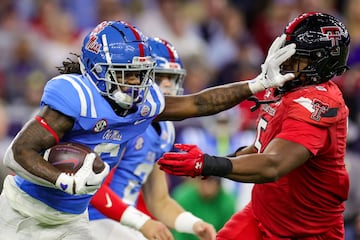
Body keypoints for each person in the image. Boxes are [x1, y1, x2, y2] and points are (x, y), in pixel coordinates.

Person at [0, 20, 295, 239]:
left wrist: (255, 85)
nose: (136, 83)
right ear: (98, 70)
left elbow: (199, 103)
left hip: (72, 219)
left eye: (141, 74)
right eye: (127, 74)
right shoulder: (76, 97)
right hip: (25, 211)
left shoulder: (147, 104)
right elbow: (16, 154)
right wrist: (64, 179)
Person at [158, 12, 351, 239]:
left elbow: (272, 165)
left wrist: (207, 164)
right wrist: (209, 163)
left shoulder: (320, 103)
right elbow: (259, 150)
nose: (285, 59)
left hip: (305, 230)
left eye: (296, 55)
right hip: (262, 215)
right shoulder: (281, 87)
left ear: (320, 62)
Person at [88, 37, 216, 240]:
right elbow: (92, 188)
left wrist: (193, 223)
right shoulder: (124, 119)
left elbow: (159, 200)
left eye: (171, 78)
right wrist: (141, 223)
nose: (165, 85)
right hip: (93, 220)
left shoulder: (165, 129)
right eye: (159, 77)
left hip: (124, 222)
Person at [171, 176, 236, 240]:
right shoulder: (183, 197)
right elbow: (179, 233)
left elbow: (227, 233)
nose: (209, 184)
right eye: (205, 179)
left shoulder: (227, 202)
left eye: (213, 180)